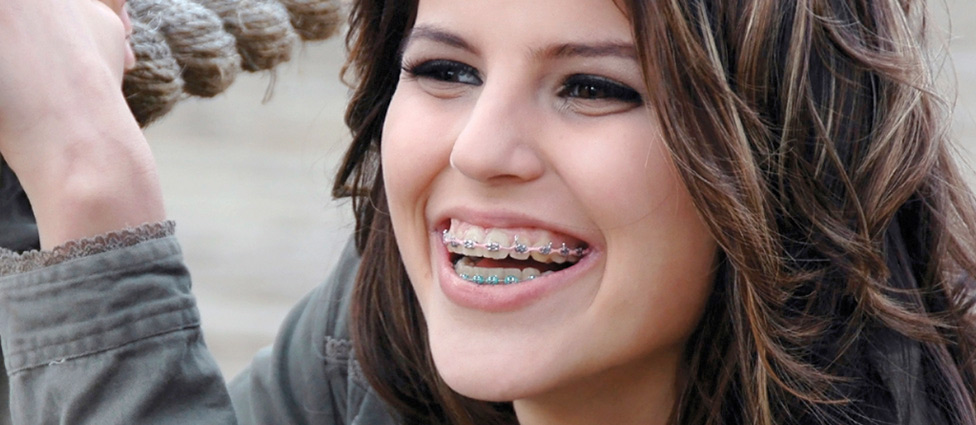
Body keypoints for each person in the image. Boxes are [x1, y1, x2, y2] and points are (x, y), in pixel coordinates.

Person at [1, 0, 975, 424]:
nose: (478, 150)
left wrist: (89, 173)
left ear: (777, 150)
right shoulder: (373, 352)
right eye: (444, 70)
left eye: (594, 88)